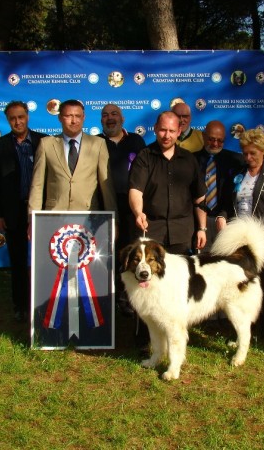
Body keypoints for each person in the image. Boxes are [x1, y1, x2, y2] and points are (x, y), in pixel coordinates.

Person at [129, 111, 208, 350]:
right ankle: (147, 340)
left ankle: (175, 335)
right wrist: (138, 213)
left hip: (182, 230)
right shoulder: (145, 156)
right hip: (152, 232)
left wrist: (202, 228)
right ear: (155, 128)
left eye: (172, 131)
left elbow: (200, 198)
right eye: (163, 130)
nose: (167, 135)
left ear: (179, 131)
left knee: (176, 286)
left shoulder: (189, 159)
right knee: (146, 286)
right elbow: (136, 191)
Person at [216, 128, 264, 334]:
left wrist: (253, 229)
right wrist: (222, 216)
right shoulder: (238, 174)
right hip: (240, 239)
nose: (248, 157)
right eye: (245, 153)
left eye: (253, 153)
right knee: (242, 284)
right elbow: (227, 204)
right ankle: (244, 327)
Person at [0, 101, 47, 321]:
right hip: (12, 212)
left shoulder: (44, 141)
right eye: (13, 118)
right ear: (7, 120)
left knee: (46, 259)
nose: (17, 122)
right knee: (18, 261)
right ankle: (21, 304)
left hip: (41, 211)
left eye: (21, 117)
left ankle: (45, 302)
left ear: (28, 116)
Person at [28, 99, 118, 216]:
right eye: (68, 116)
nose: (74, 121)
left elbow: (106, 186)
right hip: (54, 215)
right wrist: (32, 219)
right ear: (60, 118)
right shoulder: (46, 144)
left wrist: (114, 219)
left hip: (88, 216)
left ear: (84, 117)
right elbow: (37, 185)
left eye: (78, 116)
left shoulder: (98, 144)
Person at [97, 103, 146, 315]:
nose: (110, 118)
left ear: (123, 119)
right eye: (105, 115)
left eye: (114, 114)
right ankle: (105, 298)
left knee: (129, 252)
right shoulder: (95, 142)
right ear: (101, 121)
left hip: (130, 207)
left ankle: (127, 300)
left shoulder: (136, 140)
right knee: (104, 254)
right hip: (102, 206)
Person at [194, 120, 244, 251]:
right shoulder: (191, 160)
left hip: (225, 221)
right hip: (197, 223)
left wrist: (224, 215)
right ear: (204, 136)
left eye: (220, 140)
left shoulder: (236, 161)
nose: (215, 144)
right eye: (211, 139)